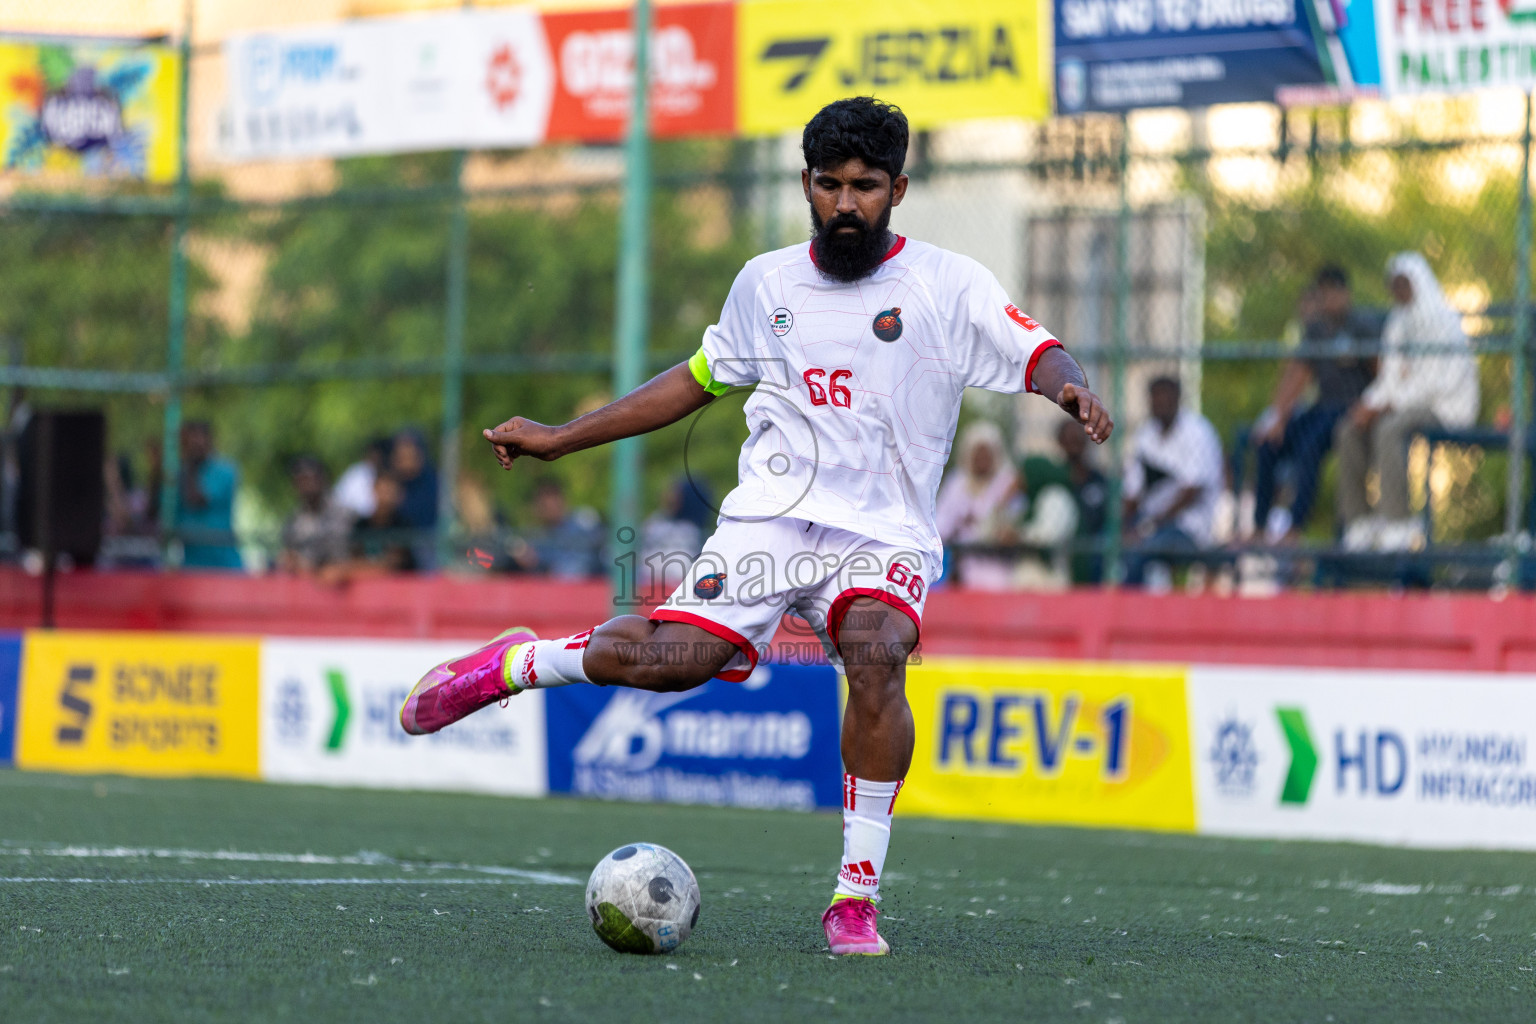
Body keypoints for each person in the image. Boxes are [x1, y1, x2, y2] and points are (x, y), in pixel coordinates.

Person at [397, 97, 1111, 957]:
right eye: (829, 185)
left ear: (900, 188)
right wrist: (561, 438)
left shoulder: (948, 284)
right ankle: (514, 664)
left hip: (883, 532)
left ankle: (855, 896)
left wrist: (1067, 387)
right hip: (769, 524)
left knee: (879, 654)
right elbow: (693, 382)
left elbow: (1037, 349)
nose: (847, 204)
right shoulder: (764, 283)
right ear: (805, 184)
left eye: (866, 187)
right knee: (674, 665)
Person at [1334, 253, 1479, 552]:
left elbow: (1434, 385)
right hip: (1403, 405)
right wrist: (1367, 405)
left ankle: (1397, 522)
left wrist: (1384, 407)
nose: (1398, 292)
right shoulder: (1398, 322)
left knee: (1389, 429)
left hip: (1445, 408)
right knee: (1348, 428)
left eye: (1404, 285)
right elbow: (1389, 379)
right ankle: (1359, 522)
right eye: (1394, 286)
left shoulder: (1443, 321)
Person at [1250, 265, 1381, 543]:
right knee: (1268, 443)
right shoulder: (1316, 330)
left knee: (1309, 446)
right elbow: (1298, 375)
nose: (1328, 299)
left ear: (1345, 293)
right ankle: (1260, 526)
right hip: (1321, 407)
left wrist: (1371, 406)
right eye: (1323, 293)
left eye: (1334, 292)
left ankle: (1295, 528)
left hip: (1351, 409)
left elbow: (1381, 373)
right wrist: (1278, 419)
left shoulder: (1361, 326)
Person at [1122, 377, 1223, 589]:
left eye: (1165, 396)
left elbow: (1192, 492)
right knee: (1103, 546)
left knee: (1144, 552)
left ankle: (1129, 615)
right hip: (1149, 523)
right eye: (1154, 397)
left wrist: (1149, 526)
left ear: (1177, 398)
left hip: (1190, 527)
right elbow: (1132, 493)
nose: (1159, 402)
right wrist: (1122, 527)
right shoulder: (1145, 434)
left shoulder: (1197, 431)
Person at [934, 421, 1023, 590]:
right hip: (962, 566)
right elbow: (940, 526)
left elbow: (1016, 518)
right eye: (978, 453)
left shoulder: (1007, 482)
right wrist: (960, 521)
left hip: (1001, 566)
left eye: (987, 453)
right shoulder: (957, 483)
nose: (982, 459)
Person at [158, 420, 242, 570]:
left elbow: (197, 500)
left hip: (225, 566)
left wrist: (188, 464)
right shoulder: (176, 474)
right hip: (190, 566)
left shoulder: (226, 470)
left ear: (210, 440)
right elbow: (161, 513)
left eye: (198, 439)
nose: (194, 445)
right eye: (189, 441)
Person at [279, 456, 352, 575]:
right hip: (304, 585)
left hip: (339, 580)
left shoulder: (344, 514)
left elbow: (343, 551)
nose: (307, 485)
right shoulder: (293, 520)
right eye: (301, 480)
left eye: (310, 478)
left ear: (322, 479)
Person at [1057, 417, 1109, 583]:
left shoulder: (1099, 480)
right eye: (1069, 438)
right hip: (1063, 549)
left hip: (1095, 551)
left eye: (1078, 438)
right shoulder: (1056, 477)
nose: (1075, 443)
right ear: (1060, 442)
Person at [333, 437, 391, 519]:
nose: (376, 458)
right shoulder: (355, 474)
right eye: (373, 454)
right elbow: (340, 499)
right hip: (352, 520)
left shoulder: (389, 475)